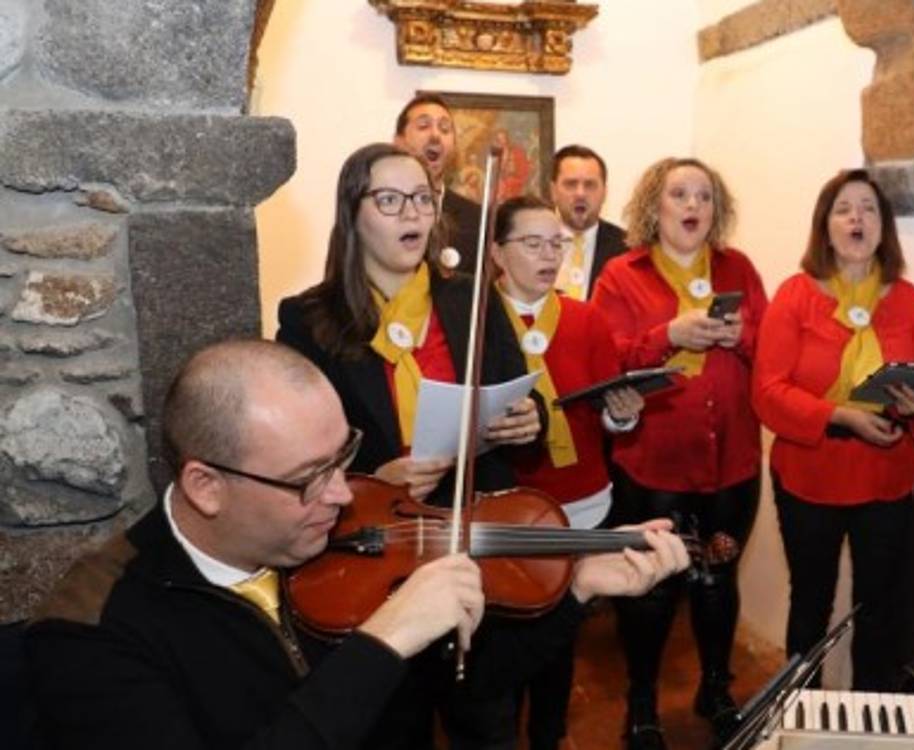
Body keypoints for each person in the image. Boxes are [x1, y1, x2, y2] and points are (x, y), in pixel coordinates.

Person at [23, 339, 690, 750]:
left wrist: (573, 591)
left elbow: (465, 688)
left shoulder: (340, 542)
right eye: (310, 479)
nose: (344, 495)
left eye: (342, 459)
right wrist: (382, 642)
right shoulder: (91, 631)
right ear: (206, 485)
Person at [273, 141, 541, 746]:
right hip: (378, 549)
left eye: (423, 198)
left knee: (488, 721)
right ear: (353, 214)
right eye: (390, 201)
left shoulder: (469, 297)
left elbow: (526, 399)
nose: (412, 215)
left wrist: (529, 419)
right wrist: (373, 476)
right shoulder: (308, 318)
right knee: (393, 725)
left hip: (475, 540)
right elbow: (296, 449)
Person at [590, 157, 767, 748]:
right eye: (679, 195)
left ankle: (715, 688)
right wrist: (669, 335)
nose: (692, 206)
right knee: (652, 588)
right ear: (654, 207)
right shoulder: (621, 274)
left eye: (704, 196)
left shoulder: (738, 267)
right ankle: (641, 701)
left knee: (718, 579)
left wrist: (739, 337)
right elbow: (607, 359)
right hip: (654, 464)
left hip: (733, 465)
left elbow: (770, 350)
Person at [752, 169, 914, 691]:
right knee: (811, 601)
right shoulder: (794, 296)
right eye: (844, 208)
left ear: (883, 227)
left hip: (886, 476)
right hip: (808, 474)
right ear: (826, 226)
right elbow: (767, 393)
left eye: (868, 208)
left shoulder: (909, 300)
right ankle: (799, 718)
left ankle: (867, 721)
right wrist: (840, 415)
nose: (857, 218)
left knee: (879, 607)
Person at [488, 194, 646, 750]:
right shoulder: (476, 322)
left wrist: (621, 415)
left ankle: (549, 736)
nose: (549, 255)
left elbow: (606, 409)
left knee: (560, 634)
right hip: (505, 507)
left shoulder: (584, 317)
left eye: (556, 243)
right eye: (532, 243)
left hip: (580, 502)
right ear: (498, 253)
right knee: (502, 640)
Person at [392, 92, 483, 269]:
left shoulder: (478, 220)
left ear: (454, 147)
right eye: (423, 126)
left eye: (445, 129)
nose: (435, 135)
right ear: (399, 142)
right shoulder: (374, 212)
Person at [549, 144, 627, 301]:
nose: (580, 194)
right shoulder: (533, 245)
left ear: (605, 192)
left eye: (590, 185)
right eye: (570, 184)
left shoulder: (628, 248)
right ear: (553, 191)